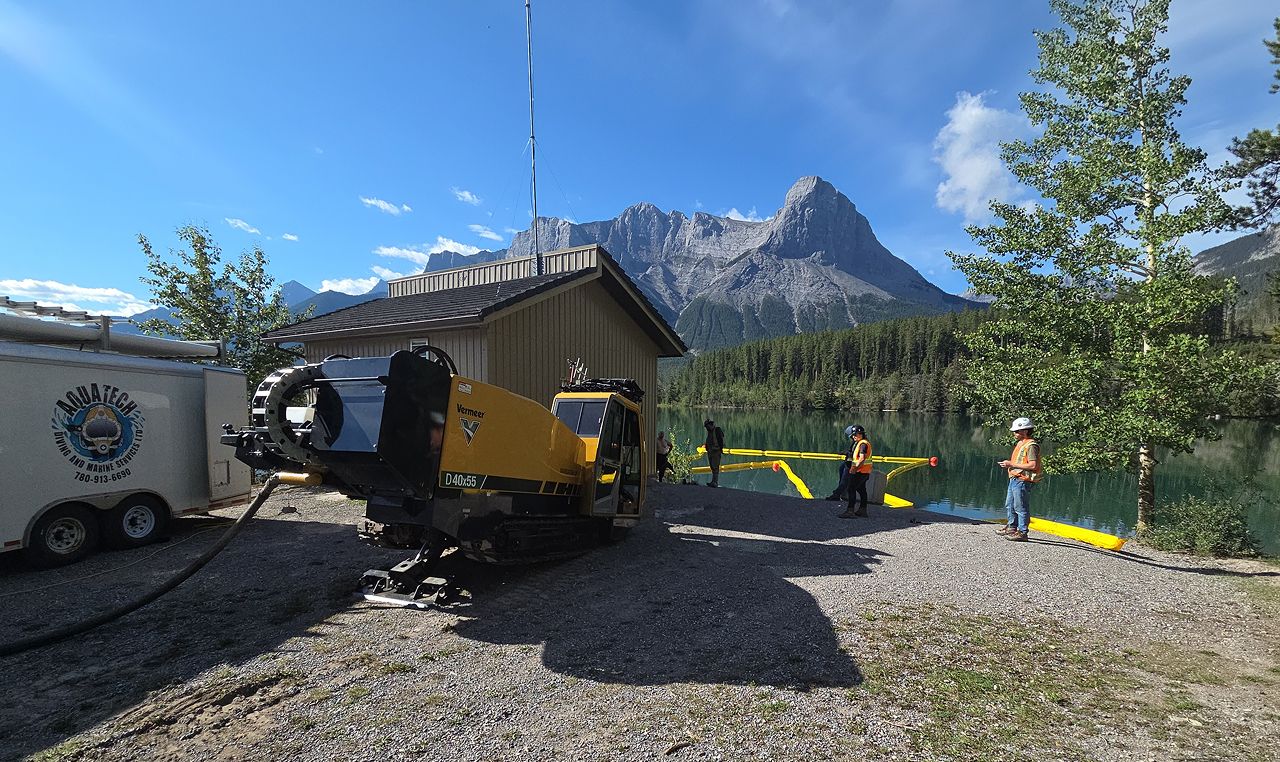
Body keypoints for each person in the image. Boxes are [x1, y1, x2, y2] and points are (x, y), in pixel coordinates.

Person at [997, 417, 1042, 542]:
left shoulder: (1031, 446)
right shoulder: (1021, 443)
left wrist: (1011, 464)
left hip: (1023, 480)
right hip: (1015, 478)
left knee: (1020, 507)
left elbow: (1033, 465)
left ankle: (1022, 532)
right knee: (1010, 504)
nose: (1014, 434)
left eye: (1017, 431)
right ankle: (1012, 527)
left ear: (1025, 431)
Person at [839, 425, 873, 518]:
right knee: (862, 490)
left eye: (855, 435)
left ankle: (850, 511)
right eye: (853, 435)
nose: (853, 437)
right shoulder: (862, 443)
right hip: (865, 472)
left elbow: (861, 459)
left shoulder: (862, 444)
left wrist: (854, 469)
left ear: (861, 434)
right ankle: (863, 510)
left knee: (851, 489)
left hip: (860, 472)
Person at [825, 425, 858, 501]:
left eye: (851, 436)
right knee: (841, 468)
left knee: (845, 478)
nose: (851, 438)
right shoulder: (855, 442)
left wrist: (846, 453)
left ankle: (837, 494)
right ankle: (840, 491)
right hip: (850, 462)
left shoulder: (861, 443)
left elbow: (855, 454)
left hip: (854, 464)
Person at [703, 419, 725, 487]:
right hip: (710, 451)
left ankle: (715, 482)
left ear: (710, 425)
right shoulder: (710, 432)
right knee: (712, 466)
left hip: (716, 451)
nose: (707, 428)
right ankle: (713, 481)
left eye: (707, 426)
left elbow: (721, 440)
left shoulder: (717, 430)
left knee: (715, 467)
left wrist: (720, 449)